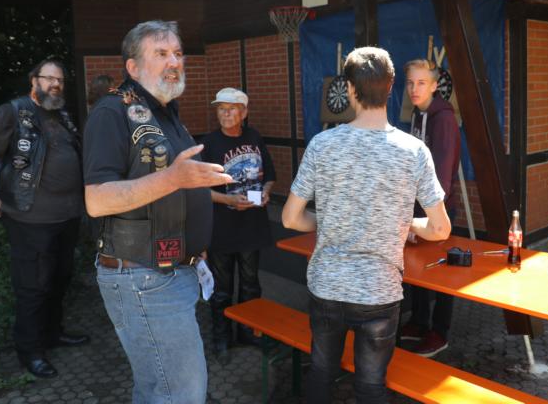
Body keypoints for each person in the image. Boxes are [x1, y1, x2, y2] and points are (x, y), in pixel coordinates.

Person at [282, 47, 451, 403]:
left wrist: (328, 220)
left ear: (349, 88)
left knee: (321, 373)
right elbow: (440, 230)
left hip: (327, 287)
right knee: (371, 386)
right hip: (380, 292)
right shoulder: (414, 151)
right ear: (391, 87)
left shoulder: (322, 145)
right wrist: (407, 223)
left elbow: (290, 218)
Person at [83, 20, 232, 404]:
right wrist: (173, 178)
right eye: (161, 53)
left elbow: (174, 184)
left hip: (172, 273)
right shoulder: (111, 112)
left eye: (178, 53)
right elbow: (96, 200)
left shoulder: (164, 111)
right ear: (132, 67)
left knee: (158, 390)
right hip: (144, 278)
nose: (174, 62)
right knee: (180, 394)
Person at [0, 58, 88, 379]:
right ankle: (30, 350)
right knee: (33, 285)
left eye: (60, 80)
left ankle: (52, 334)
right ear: (33, 80)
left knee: (60, 278)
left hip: (67, 216)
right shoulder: (13, 111)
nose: (55, 85)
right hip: (29, 218)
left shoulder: (62, 115)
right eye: (49, 78)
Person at [201, 87, 276, 361]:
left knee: (250, 284)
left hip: (252, 224)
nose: (225, 114)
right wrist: (227, 200)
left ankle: (248, 331)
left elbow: (269, 175)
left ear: (244, 112)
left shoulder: (254, 137)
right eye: (221, 109)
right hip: (222, 226)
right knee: (221, 288)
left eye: (231, 108)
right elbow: (200, 189)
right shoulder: (209, 144)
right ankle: (222, 338)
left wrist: (265, 192)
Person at [400, 59, 462, 358]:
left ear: (435, 86)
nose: (415, 88)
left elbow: (443, 174)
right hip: (417, 206)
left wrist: (432, 214)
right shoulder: (418, 113)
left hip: (438, 209)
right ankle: (420, 321)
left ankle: (439, 332)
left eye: (422, 83)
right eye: (411, 82)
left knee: (442, 272)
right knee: (418, 267)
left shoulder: (443, 119)